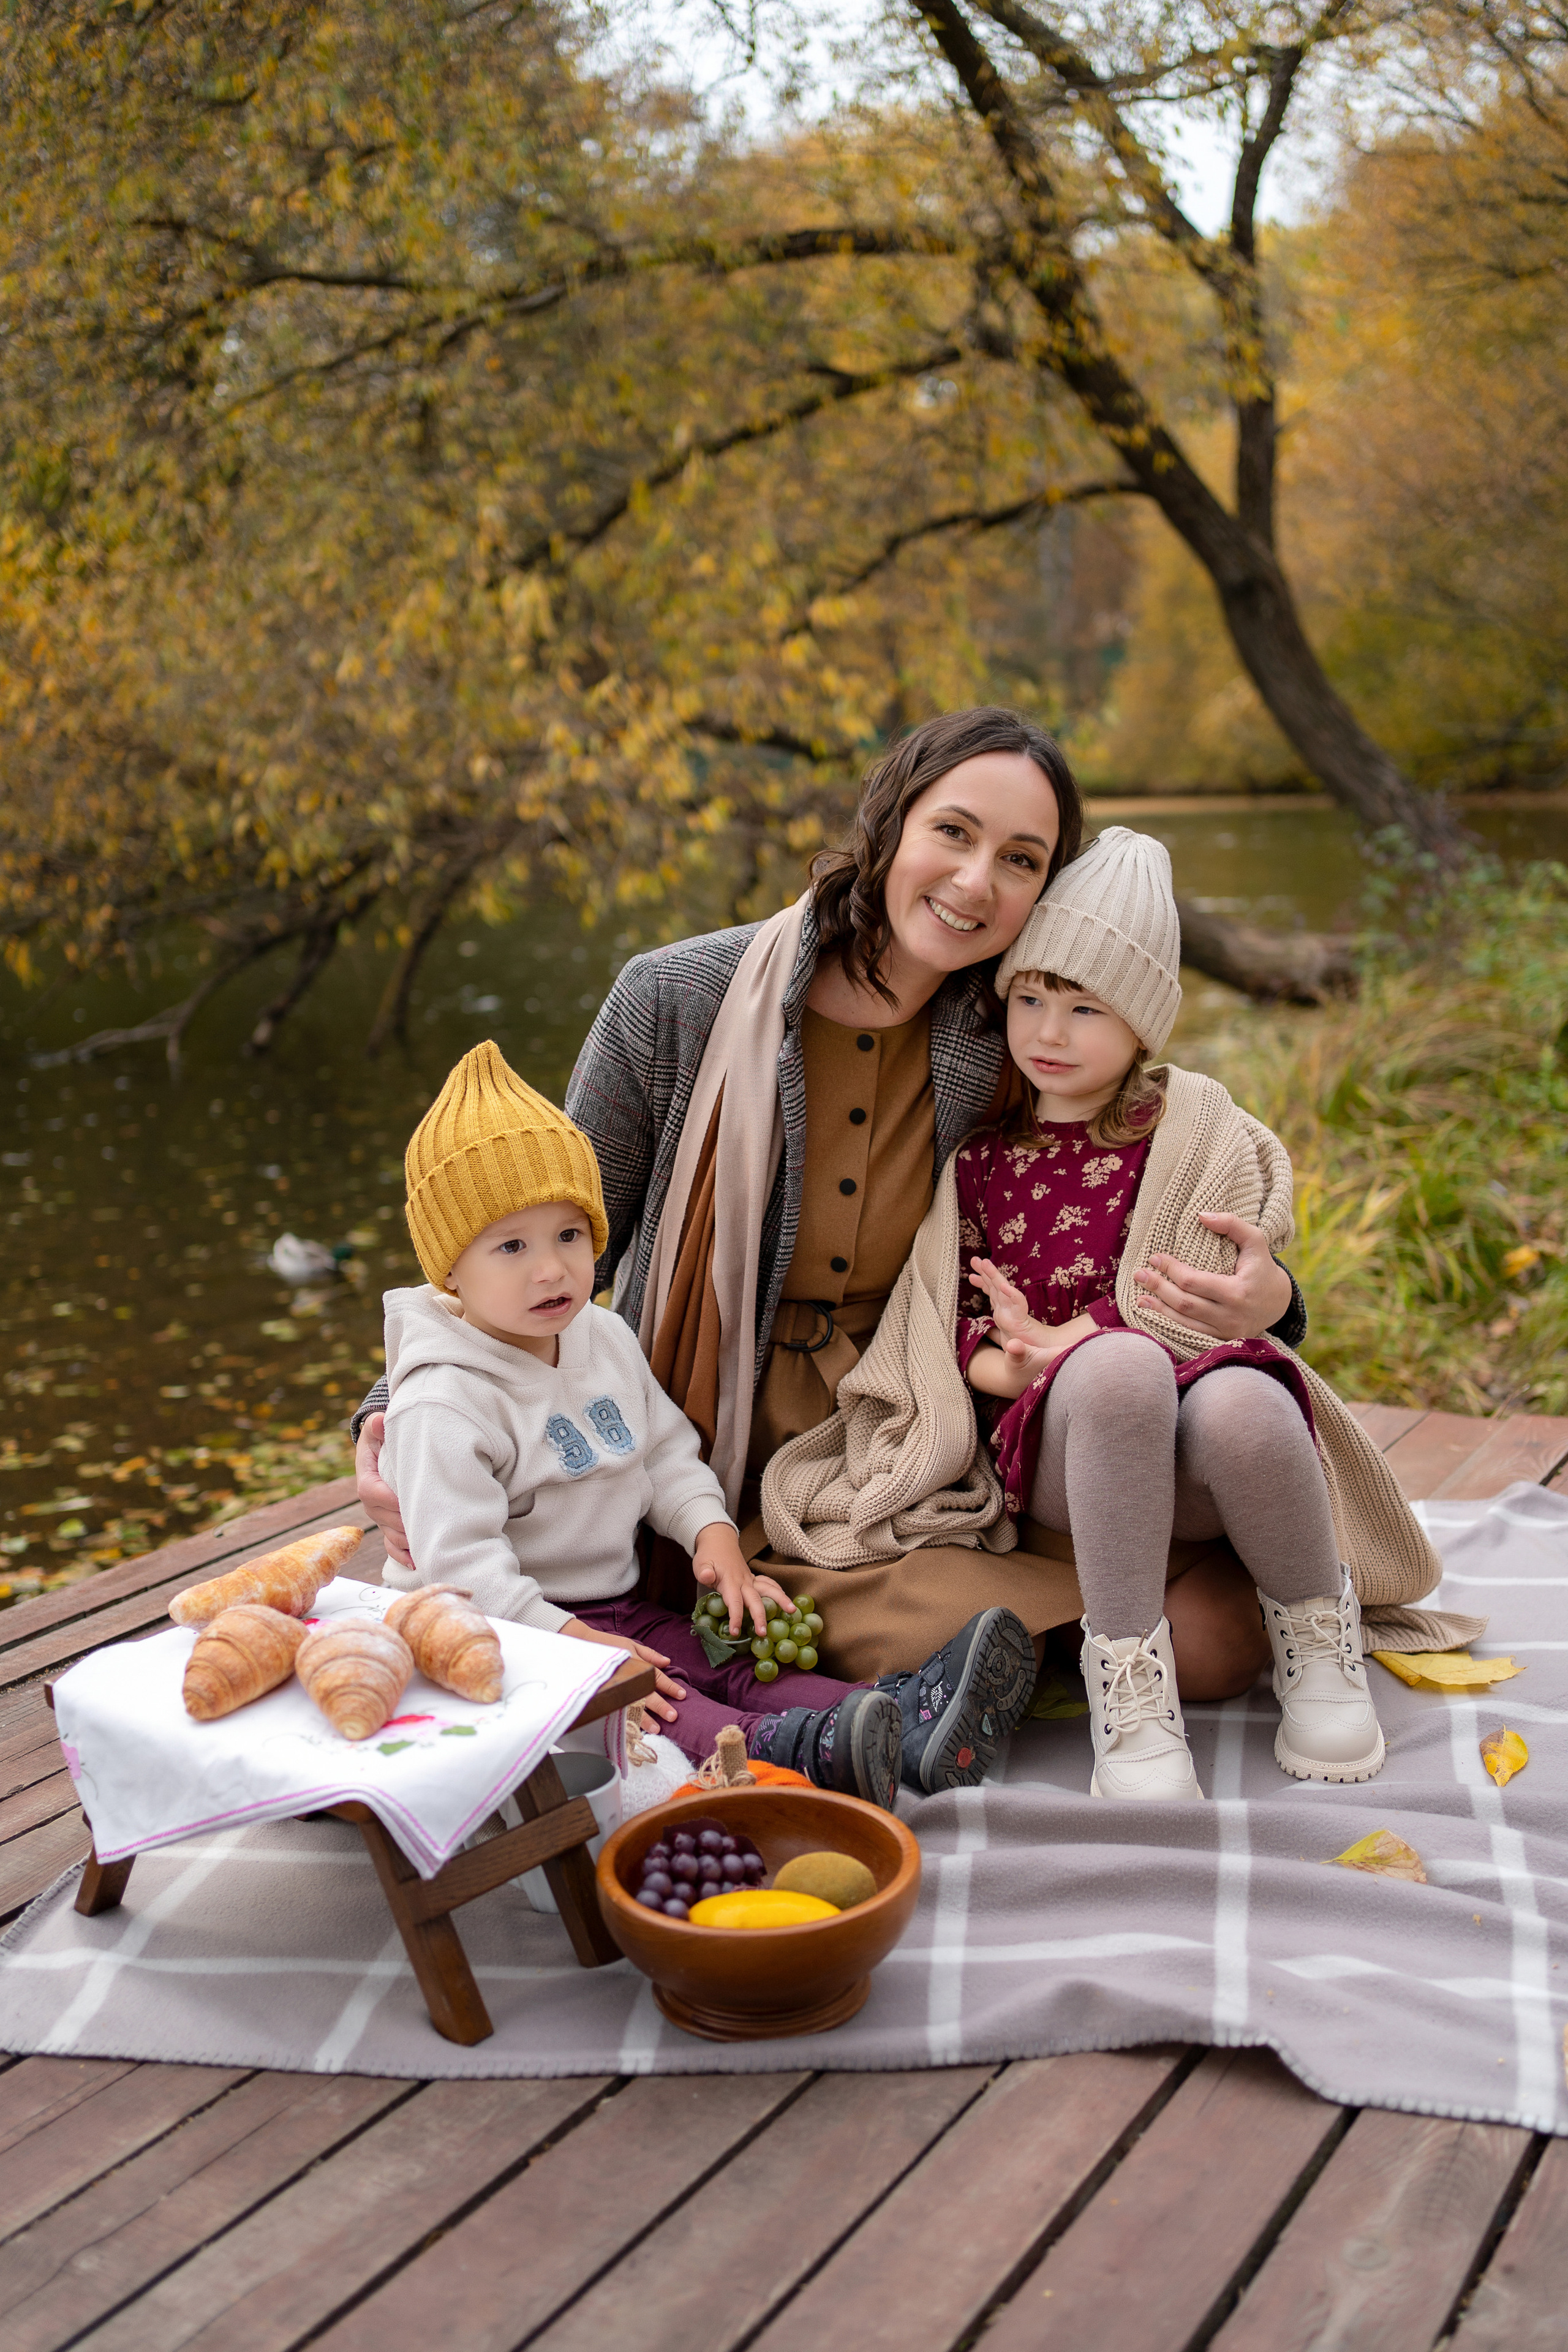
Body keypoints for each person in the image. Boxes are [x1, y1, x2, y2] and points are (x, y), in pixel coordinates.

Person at [356, 706, 1310, 1705]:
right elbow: (511, 1231)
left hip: (933, 1429)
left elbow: (1159, 1183)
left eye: (1021, 860)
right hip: (728, 1438)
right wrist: (394, 1420)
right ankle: (919, 1662)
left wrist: (1272, 1299)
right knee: (984, 1634)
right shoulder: (678, 1000)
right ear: (889, 820)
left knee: (1217, 1643)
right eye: (953, 832)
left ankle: (970, 1656)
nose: (977, 881)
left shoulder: (1019, 1031)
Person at [762, 829, 1479, 1798]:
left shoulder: (1194, 1130)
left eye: (1084, 1007)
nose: (1048, 1032)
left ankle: (1319, 1639)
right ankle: (1130, 1691)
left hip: (1202, 1451)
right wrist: (1020, 1366)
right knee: (1121, 1370)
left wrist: (1187, 1315)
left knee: (1245, 1400)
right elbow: (950, 1321)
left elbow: (1221, 1288)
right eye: (1030, 999)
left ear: (1142, 1024)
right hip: (1070, 1448)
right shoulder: (984, 1158)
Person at [376, 1036, 1036, 1812]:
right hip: (503, 1637)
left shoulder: (601, 1338)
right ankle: (781, 1754)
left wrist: (710, 1534)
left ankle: (895, 1718)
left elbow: (663, 1456)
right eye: (511, 1247)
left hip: (615, 1604)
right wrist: (576, 1651)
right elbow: (465, 1576)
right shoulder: (445, 1401)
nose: (550, 1269)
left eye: (569, 1235)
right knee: (656, 1703)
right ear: (449, 1268)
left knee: (720, 1655)